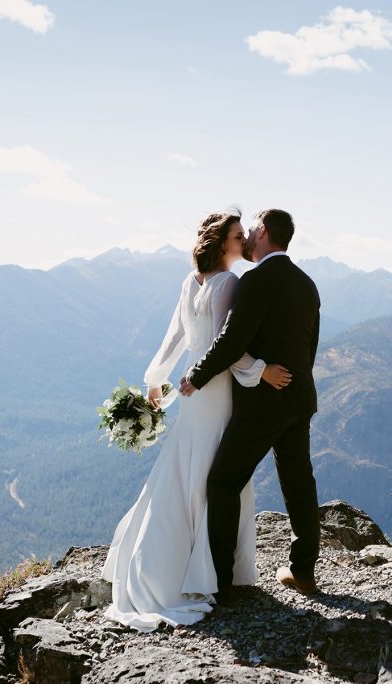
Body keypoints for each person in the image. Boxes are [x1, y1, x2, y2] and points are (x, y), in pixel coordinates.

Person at [101, 211, 292, 631]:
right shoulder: (230, 283)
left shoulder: (192, 281)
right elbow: (229, 346)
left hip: (191, 390)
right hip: (216, 389)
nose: (245, 242)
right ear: (222, 242)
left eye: (246, 235)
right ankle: (207, 571)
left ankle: (168, 562)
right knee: (217, 472)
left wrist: (155, 380)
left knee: (190, 466)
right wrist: (263, 370)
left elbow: (175, 338)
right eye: (239, 236)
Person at [180, 208, 321, 602]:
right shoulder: (307, 284)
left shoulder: (256, 281)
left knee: (223, 482)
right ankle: (303, 572)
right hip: (298, 398)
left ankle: (222, 583)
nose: (248, 238)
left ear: (265, 234)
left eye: (253, 231)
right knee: (298, 483)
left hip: (262, 404)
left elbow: (230, 341)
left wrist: (197, 375)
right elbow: (307, 348)